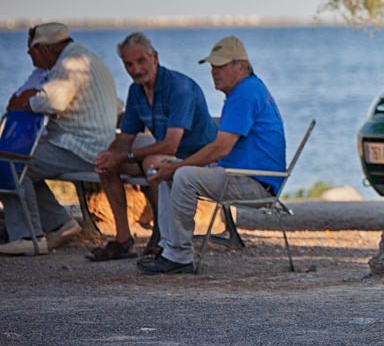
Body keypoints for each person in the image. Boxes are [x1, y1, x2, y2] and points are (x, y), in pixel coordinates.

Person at [141, 36, 285, 275]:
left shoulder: (245, 93)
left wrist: (178, 168)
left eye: (220, 66)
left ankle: (179, 256)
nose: (214, 72)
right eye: (212, 66)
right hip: (243, 175)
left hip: (255, 182)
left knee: (183, 175)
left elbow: (221, 148)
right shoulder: (247, 89)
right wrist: (173, 167)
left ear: (241, 65)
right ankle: (168, 249)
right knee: (167, 169)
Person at [87, 33, 217, 261]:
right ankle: (124, 240)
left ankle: (165, 241)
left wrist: (125, 155)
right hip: (171, 158)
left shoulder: (179, 87)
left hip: (199, 160)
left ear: (154, 57)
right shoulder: (136, 92)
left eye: (141, 61)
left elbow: (170, 146)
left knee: (152, 164)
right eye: (129, 64)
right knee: (107, 165)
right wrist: (110, 155)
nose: (136, 69)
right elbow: (125, 138)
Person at [0, 23, 117, 255]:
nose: (27, 54)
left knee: (13, 162)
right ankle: (59, 224)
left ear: (45, 49)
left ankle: (28, 237)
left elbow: (51, 102)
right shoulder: (85, 57)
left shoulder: (68, 64)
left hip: (83, 147)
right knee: (24, 167)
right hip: (96, 144)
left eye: (32, 49)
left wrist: (27, 104)